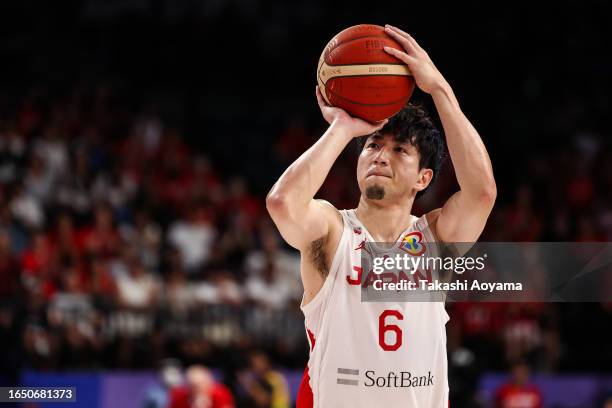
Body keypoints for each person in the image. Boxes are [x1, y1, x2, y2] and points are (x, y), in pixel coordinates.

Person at [266, 24, 496, 407]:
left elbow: (482, 192)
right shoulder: (332, 230)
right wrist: (342, 127)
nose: (380, 155)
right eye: (373, 144)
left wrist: (439, 88)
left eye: (400, 150)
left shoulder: (435, 238)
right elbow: (281, 203)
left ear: (424, 178)